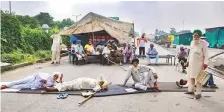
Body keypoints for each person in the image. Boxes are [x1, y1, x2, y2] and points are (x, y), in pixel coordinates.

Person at [185, 29, 208, 99]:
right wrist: (187, 61)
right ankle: (191, 90)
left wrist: (205, 63)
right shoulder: (192, 42)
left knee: (198, 79)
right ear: (193, 35)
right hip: (192, 63)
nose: (196, 37)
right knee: (191, 77)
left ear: (200, 36)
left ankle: (198, 93)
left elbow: (206, 54)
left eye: (197, 35)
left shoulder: (203, 43)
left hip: (199, 64)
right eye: (195, 35)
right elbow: (190, 53)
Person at [43, 75, 110, 92]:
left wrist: (103, 87)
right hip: (79, 80)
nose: (101, 81)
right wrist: (105, 82)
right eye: (102, 81)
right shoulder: (97, 80)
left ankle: (50, 89)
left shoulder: (96, 87)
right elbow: (101, 75)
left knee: (66, 86)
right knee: (66, 82)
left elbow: (96, 90)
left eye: (102, 82)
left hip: (78, 85)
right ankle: (57, 85)